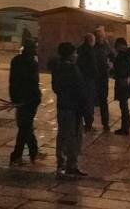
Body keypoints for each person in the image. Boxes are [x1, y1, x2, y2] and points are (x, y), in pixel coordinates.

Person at [51, 42, 89, 179]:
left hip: (64, 107)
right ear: (70, 55)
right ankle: (69, 165)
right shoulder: (72, 69)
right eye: (75, 53)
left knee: (64, 136)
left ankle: (65, 164)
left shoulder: (58, 68)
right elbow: (80, 90)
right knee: (72, 137)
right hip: (73, 108)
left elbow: (56, 88)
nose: (77, 55)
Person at [9, 40, 43, 166]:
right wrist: (36, 97)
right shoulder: (31, 63)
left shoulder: (16, 60)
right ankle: (16, 155)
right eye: (35, 48)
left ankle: (33, 151)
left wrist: (14, 98)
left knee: (25, 125)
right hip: (29, 99)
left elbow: (12, 80)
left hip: (20, 97)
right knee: (25, 127)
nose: (36, 50)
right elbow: (33, 83)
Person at [93, 26, 116, 131]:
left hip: (102, 76)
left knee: (103, 100)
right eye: (98, 36)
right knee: (93, 99)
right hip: (94, 77)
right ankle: (89, 122)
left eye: (101, 35)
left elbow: (113, 56)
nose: (100, 37)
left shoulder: (105, 46)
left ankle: (105, 123)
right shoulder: (93, 46)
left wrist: (110, 65)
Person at [111, 37, 130, 135]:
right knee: (123, 105)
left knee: (123, 106)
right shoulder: (128, 55)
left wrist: (112, 69)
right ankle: (126, 125)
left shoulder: (124, 55)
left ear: (121, 45)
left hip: (123, 83)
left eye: (117, 46)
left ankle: (125, 127)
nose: (116, 48)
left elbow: (121, 69)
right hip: (126, 83)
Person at [76, 33, 99, 131]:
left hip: (80, 80)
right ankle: (88, 123)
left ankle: (79, 122)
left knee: (81, 102)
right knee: (89, 102)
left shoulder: (79, 49)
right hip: (89, 80)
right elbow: (93, 66)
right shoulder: (90, 51)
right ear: (91, 41)